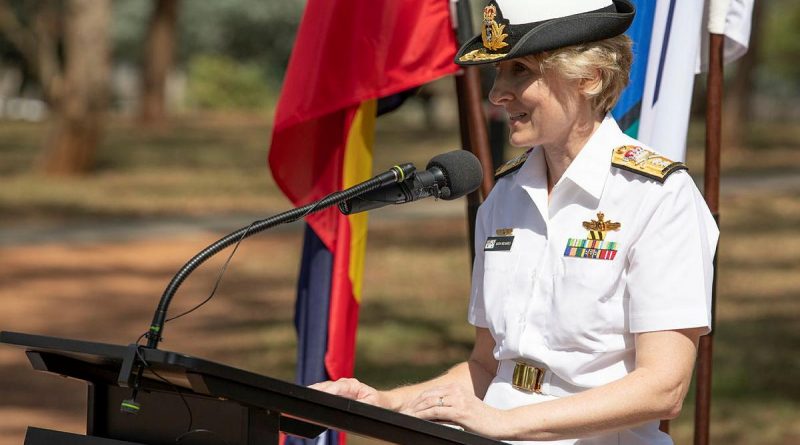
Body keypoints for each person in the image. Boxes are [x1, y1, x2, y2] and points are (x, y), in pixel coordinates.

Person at [313, 0, 719, 443]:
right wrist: (383, 402)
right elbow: (488, 366)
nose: (496, 93)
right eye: (498, 72)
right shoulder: (504, 196)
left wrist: (507, 423)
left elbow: (664, 388)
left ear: (589, 77)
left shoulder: (658, 197)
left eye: (520, 71)